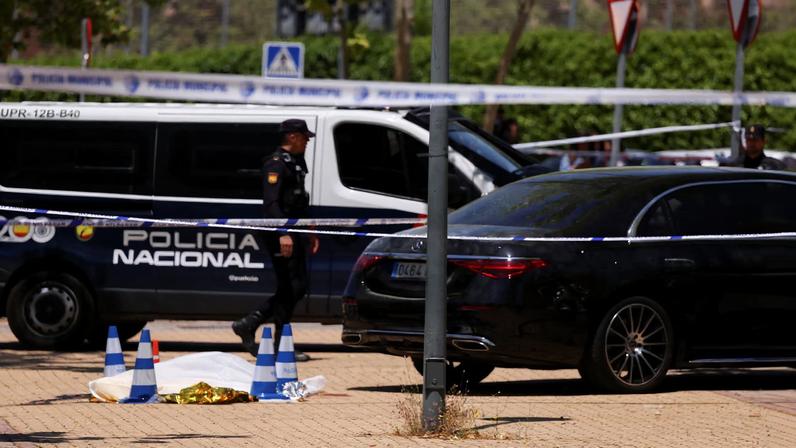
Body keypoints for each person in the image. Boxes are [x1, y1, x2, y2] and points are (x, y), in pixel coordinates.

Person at [232, 119, 320, 361]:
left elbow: (299, 201)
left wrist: (309, 229)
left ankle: (251, 324)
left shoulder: (296, 163)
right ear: (292, 137)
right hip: (279, 234)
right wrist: (283, 233)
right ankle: (276, 340)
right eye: (304, 136)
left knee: (296, 287)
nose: (307, 140)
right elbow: (271, 204)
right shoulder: (276, 163)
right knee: (290, 287)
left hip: (295, 232)